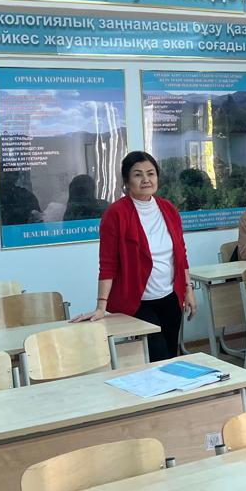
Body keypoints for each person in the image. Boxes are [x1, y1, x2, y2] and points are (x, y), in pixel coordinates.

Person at [78, 151, 196, 361]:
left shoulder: (168, 209)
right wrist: (101, 307)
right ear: (126, 181)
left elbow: (181, 255)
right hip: (138, 302)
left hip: (171, 298)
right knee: (157, 356)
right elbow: (108, 264)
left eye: (151, 173)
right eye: (138, 174)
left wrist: (188, 290)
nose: (146, 179)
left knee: (170, 355)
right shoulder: (115, 213)